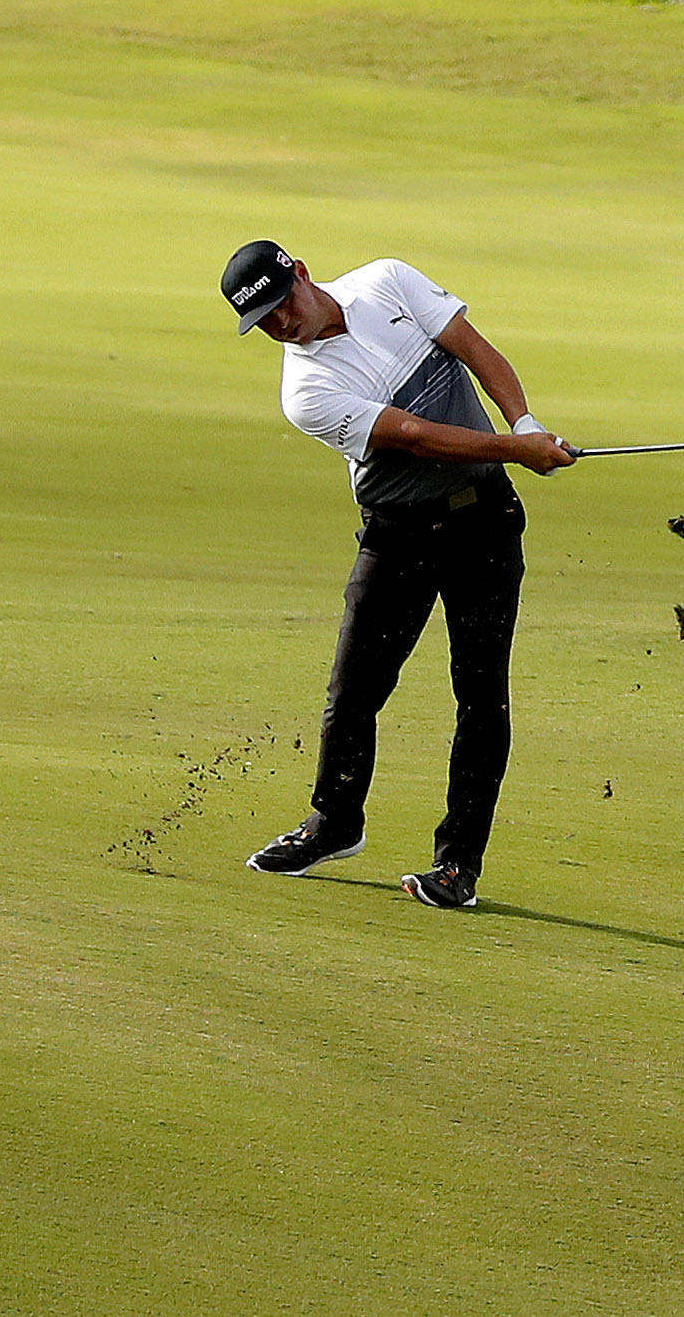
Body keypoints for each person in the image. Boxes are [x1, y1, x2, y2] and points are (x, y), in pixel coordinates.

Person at [222, 239, 577, 910]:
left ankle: (457, 865)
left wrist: (525, 421)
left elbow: (474, 348)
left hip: (484, 523)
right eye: (262, 321)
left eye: (281, 304)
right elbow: (414, 435)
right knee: (353, 690)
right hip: (398, 533)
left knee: (481, 694)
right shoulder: (305, 390)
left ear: (300, 271)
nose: (280, 325)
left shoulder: (386, 281)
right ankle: (335, 823)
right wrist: (517, 449)